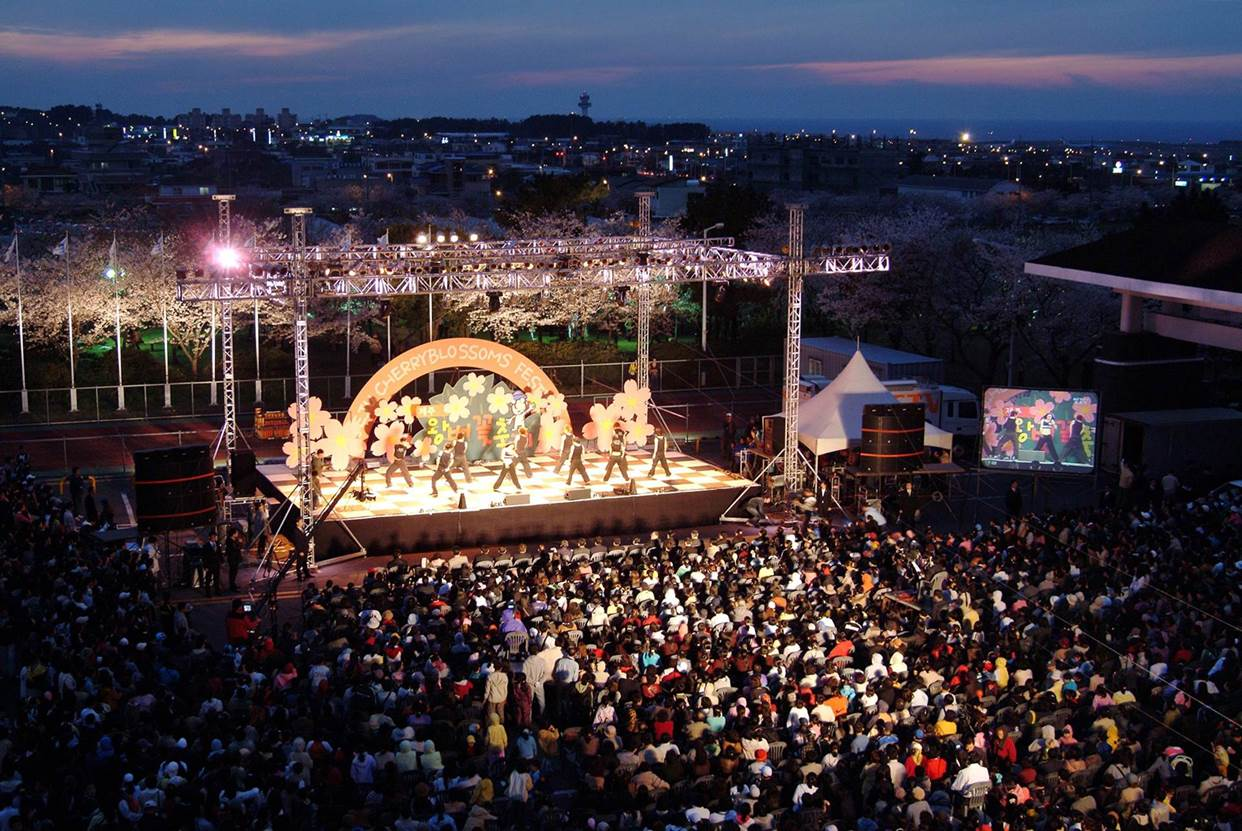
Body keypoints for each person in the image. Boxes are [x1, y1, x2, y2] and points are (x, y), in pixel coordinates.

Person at [201, 531, 221, 597]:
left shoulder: (217, 544)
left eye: (215, 537)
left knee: (216, 579)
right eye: (213, 537)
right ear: (209, 537)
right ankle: (208, 593)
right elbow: (204, 557)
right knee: (208, 580)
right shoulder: (206, 546)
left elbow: (219, 554)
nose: (214, 538)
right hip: (209, 565)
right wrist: (205, 566)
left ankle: (217, 591)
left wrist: (221, 561)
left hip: (216, 564)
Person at [225, 526, 243, 592]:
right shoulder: (229, 540)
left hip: (236, 558)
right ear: (233, 533)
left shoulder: (234, 540)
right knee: (232, 572)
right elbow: (235, 548)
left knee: (234, 572)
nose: (237, 534)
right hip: (232, 559)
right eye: (236, 533)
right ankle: (232, 586)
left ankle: (233, 584)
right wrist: (240, 543)